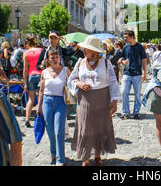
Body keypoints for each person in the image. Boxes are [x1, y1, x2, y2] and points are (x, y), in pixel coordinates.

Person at [67, 36, 121, 166]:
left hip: (102, 99)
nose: (84, 51)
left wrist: (114, 101)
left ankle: (97, 156)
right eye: (84, 48)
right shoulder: (80, 62)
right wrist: (79, 84)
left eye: (87, 49)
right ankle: (85, 158)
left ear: (95, 51)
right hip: (85, 100)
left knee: (100, 128)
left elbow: (113, 81)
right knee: (85, 128)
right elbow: (71, 80)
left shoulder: (106, 63)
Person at [37, 49, 71, 166]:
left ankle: (60, 159)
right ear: (48, 60)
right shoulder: (44, 72)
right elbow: (41, 90)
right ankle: (53, 152)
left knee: (59, 131)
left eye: (56, 57)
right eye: (52, 57)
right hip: (47, 101)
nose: (55, 59)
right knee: (50, 131)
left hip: (61, 102)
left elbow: (72, 85)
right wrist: (39, 105)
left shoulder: (65, 71)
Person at [118, 30, 147, 120]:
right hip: (127, 73)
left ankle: (136, 112)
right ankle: (126, 112)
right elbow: (122, 57)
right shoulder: (125, 47)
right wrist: (122, 61)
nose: (125, 39)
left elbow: (144, 60)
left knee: (137, 94)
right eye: (125, 37)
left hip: (137, 74)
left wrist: (144, 73)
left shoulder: (139, 47)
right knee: (123, 92)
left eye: (126, 37)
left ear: (132, 37)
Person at [23, 37, 43, 128]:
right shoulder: (41, 50)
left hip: (31, 76)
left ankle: (27, 119)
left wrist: (25, 83)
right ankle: (39, 118)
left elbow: (25, 70)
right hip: (40, 75)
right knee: (40, 98)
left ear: (27, 45)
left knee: (30, 99)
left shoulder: (26, 53)